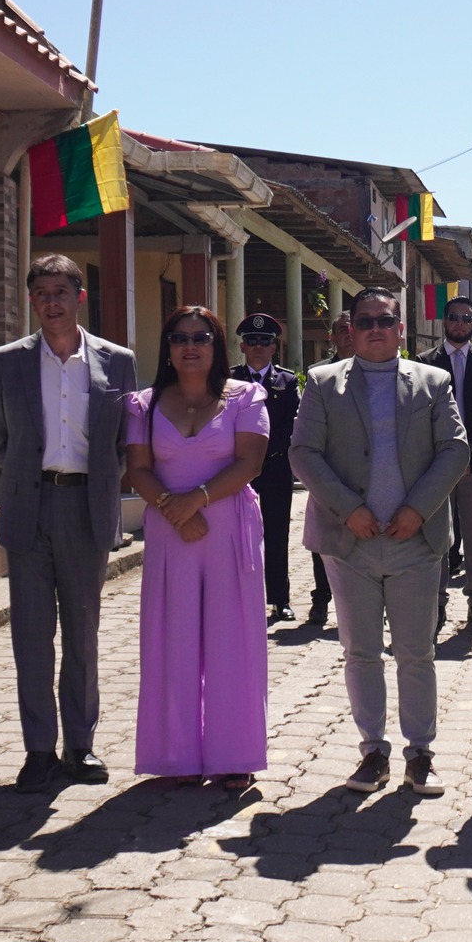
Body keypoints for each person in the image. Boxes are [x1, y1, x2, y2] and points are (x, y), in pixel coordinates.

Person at [292, 286, 469, 795]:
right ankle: (372, 751)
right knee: (361, 652)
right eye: (365, 321)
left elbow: (455, 450)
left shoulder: (433, 381)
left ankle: (420, 754)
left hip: (416, 540)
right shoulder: (323, 382)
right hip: (350, 542)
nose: (375, 329)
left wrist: (418, 509)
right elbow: (304, 452)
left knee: (417, 653)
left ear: (400, 327)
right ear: (351, 329)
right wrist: (349, 509)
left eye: (385, 320)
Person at [0, 254, 138, 793]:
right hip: (29, 507)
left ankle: (80, 745)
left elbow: (123, 440)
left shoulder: (117, 361)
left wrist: (96, 484)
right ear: (32, 300)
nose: (51, 302)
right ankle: (38, 751)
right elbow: (2, 438)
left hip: (85, 507)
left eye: (60, 292)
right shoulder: (6, 362)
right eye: (41, 293)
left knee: (82, 633)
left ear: (80, 297)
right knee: (31, 636)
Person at [123, 307, 270, 791]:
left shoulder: (245, 396)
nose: (190, 346)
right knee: (172, 640)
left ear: (217, 345)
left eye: (201, 338)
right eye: (180, 338)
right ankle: (176, 756)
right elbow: (138, 469)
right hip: (172, 533)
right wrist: (175, 509)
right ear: (167, 347)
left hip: (228, 530)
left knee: (232, 642)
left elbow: (250, 462)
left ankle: (234, 755)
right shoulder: (143, 405)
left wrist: (197, 500)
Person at [421, 295, 472, 628]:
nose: (460, 324)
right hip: (437, 466)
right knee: (438, 537)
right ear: (444, 320)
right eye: (454, 317)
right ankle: (436, 604)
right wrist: (449, 456)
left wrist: (469, 453)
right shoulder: (425, 363)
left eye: (467, 318)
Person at [230, 313, 302, 624]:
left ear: (274, 347)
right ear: (243, 346)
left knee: (276, 534)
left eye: (264, 341)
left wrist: (268, 452)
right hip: (236, 472)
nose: (258, 346)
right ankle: (237, 599)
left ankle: (279, 599)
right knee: (236, 535)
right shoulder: (229, 381)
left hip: (274, 468)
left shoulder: (287, 382)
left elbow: (292, 425)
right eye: (252, 341)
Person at [306, 307, 356, 629]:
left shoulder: (374, 370)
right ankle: (321, 600)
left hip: (363, 472)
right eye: (342, 330)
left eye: (353, 329)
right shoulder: (317, 374)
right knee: (322, 542)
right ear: (332, 337)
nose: (348, 336)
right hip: (326, 471)